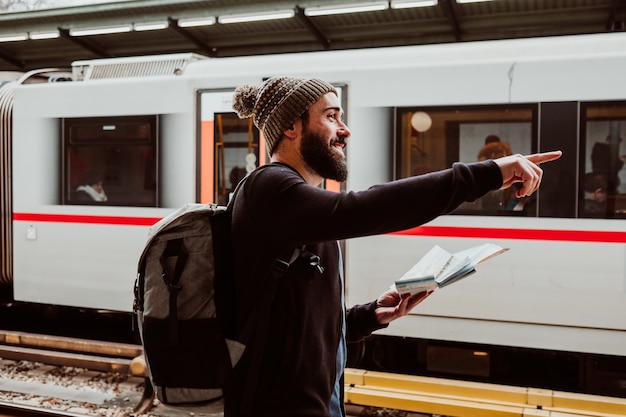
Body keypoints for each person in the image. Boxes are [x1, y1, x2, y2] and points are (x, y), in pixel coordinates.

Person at [228, 76, 562, 417]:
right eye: (331, 116)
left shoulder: (298, 207)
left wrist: (368, 315)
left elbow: (297, 322)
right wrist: (486, 175)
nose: (345, 130)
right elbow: (366, 208)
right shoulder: (269, 187)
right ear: (291, 127)